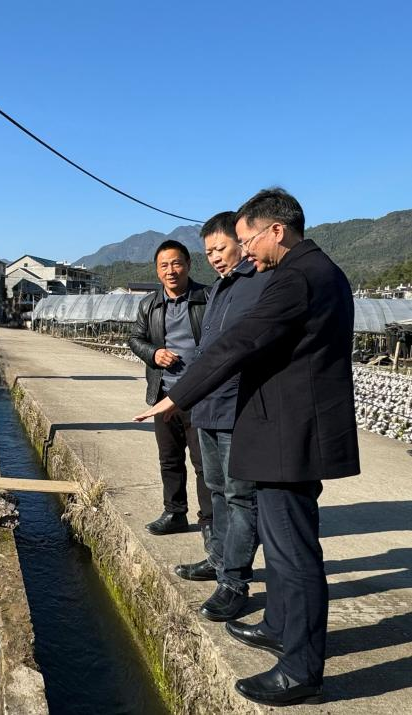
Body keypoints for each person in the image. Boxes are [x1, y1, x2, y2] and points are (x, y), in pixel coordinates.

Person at [135, 188, 360, 706]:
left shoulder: (295, 277)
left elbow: (239, 342)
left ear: (275, 230)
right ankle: (280, 624)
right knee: (282, 549)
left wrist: (175, 400)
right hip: (285, 429)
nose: (244, 251)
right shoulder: (314, 270)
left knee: (293, 552)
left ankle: (301, 669)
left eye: (247, 240)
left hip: (289, 433)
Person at [172, 211, 272, 626]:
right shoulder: (220, 289)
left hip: (239, 409)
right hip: (208, 407)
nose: (214, 257)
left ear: (243, 242)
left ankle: (235, 583)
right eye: (208, 250)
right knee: (215, 488)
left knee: (240, 496)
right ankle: (217, 561)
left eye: (220, 248)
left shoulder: (260, 283)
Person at [128, 240, 213, 542]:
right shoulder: (148, 304)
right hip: (164, 395)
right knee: (169, 459)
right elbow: (135, 338)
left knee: (205, 464)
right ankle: (175, 513)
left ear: (189, 264)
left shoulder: (208, 298)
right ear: (157, 270)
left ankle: (210, 524)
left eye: (176, 263)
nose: (171, 271)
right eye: (164, 265)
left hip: (201, 397)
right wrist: (154, 353)